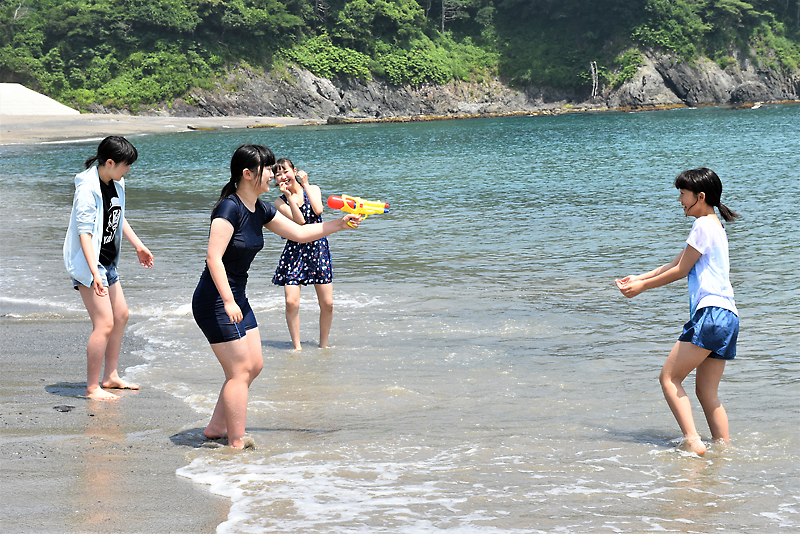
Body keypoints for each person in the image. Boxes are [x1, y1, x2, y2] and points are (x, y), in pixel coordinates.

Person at [192, 145, 360, 449]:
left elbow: (300, 233)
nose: (274, 174)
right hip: (216, 299)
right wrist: (228, 301)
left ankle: (216, 428)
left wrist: (340, 223)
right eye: (267, 168)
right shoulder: (229, 208)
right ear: (247, 174)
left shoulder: (261, 207)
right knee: (239, 370)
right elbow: (213, 258)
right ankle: (237, 442)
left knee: (254, 365)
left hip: (236, 297)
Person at [615, 168, 740, 456]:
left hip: (710, 314)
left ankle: (692, 441)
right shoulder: (715, 225)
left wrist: (643, 289)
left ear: (700, 196)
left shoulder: (702, 226)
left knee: (669, 378)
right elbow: (675, 263)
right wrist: (640, 277)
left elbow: (681, 271)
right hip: (729, 317)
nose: (680, 200)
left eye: (683, 195)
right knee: (707, 392)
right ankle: (724, 453)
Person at [63, 136, 154, 401]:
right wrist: (94, 273)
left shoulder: (115, 182)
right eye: (126, 165)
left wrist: (138, 245)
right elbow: (84, 233)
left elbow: (118, 215)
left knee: (121, 314)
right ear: (110, 162)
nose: (128, 170)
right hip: (89, 262)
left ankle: (110, 376)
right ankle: (92, 388)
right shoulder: (88, 189)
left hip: (107, 261)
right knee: (104, 323)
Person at [272, 158, 333, 350]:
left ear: (294, 171)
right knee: (291, 302)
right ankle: (297, 348)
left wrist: (305, 185)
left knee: (328, 303)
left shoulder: (313, 188)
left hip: (318, 248)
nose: (283, 176)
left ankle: (323, 346)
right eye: (278, 174)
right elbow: (300, 223)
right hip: (295, 250)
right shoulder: (279, 201)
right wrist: (289, 196)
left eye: (286, 171)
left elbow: (318, 209)